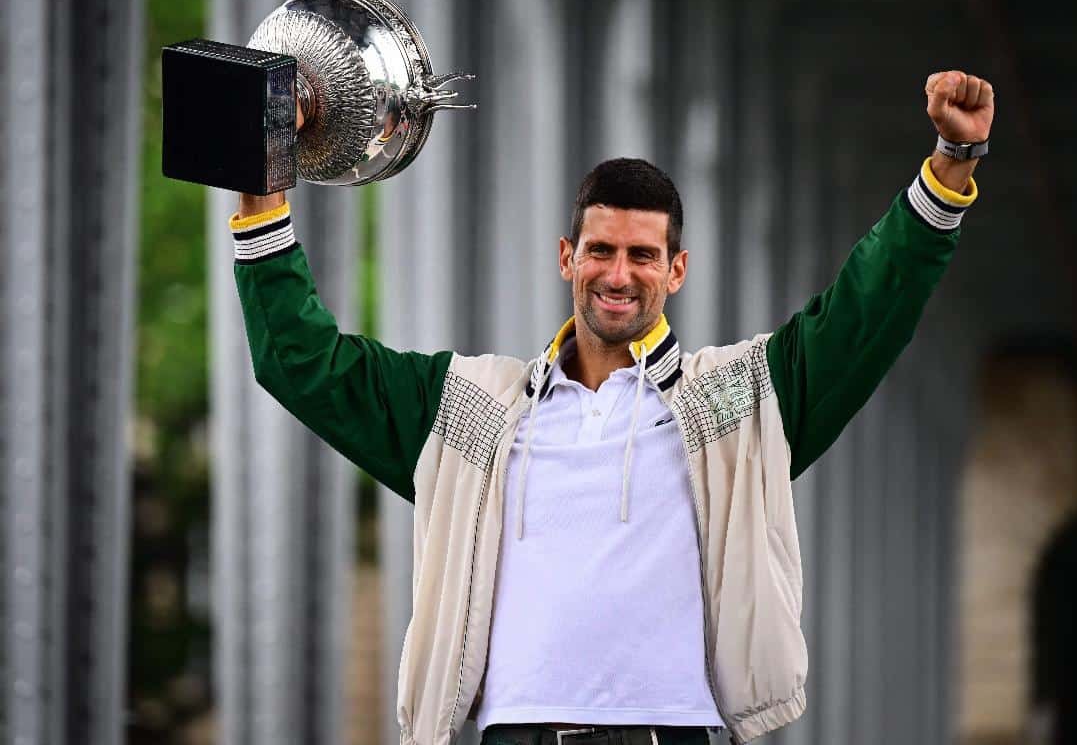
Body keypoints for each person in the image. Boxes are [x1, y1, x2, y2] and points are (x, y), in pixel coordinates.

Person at [229, 70, 993, 745]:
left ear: (677, 269)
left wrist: (950, 164)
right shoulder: (470, 409)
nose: (618, 273)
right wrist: (261, 174)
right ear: (569, 257)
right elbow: (304, 364)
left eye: (642, 255)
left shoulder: (734, 398)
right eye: (600, 250)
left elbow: (865, 313)